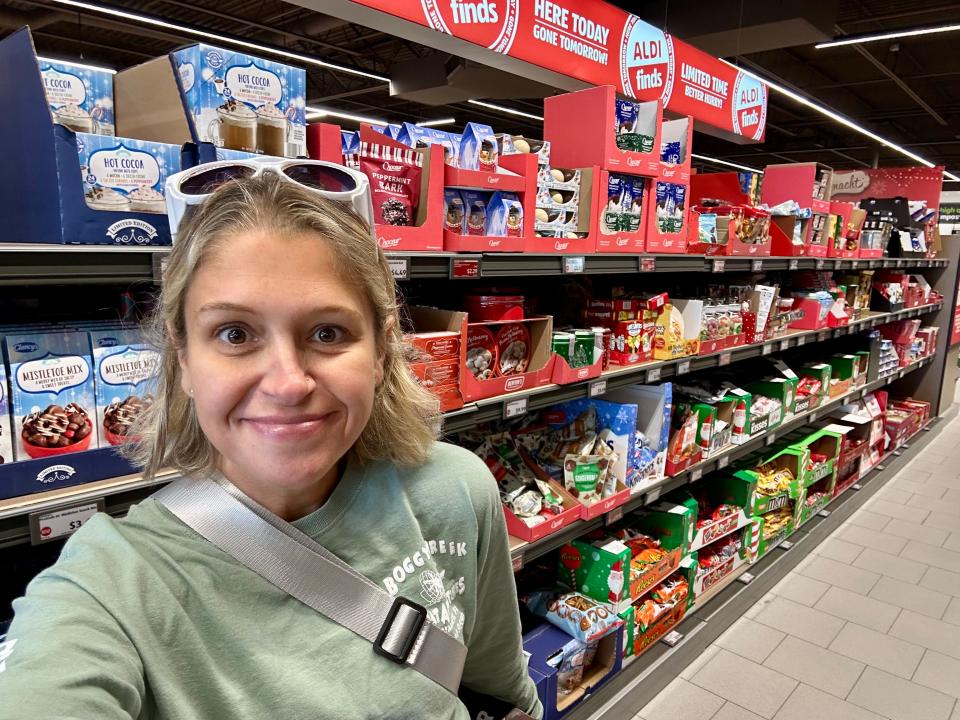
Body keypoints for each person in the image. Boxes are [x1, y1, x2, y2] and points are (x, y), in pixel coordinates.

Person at [0, 170, 543, 720]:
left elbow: (499, 690)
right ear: (183, 359)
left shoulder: (456, 490)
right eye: (235, 334)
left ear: (381, 351)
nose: (287, 384)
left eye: (327, 332)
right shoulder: (110, 582)